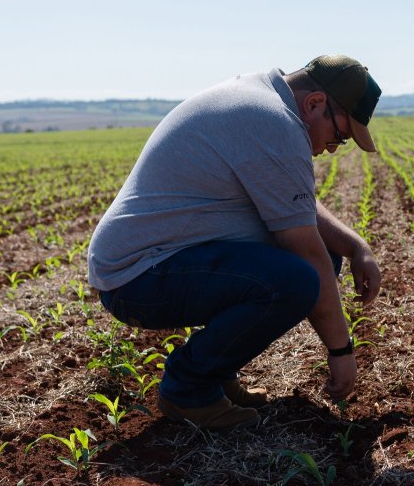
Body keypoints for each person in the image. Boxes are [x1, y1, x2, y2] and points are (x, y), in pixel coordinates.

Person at [88, 55, 383, 429]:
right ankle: (189, 388)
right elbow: (305, 250)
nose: (333, 147)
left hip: (162, 262)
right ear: (315, 104)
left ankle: (216, 373)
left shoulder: (264, 99)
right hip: (138, 278)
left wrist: (357, 246)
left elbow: (296, 201)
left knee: (324, 258)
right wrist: (341, 350)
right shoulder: (273, 121)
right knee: (300, 277)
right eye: (340, 135)